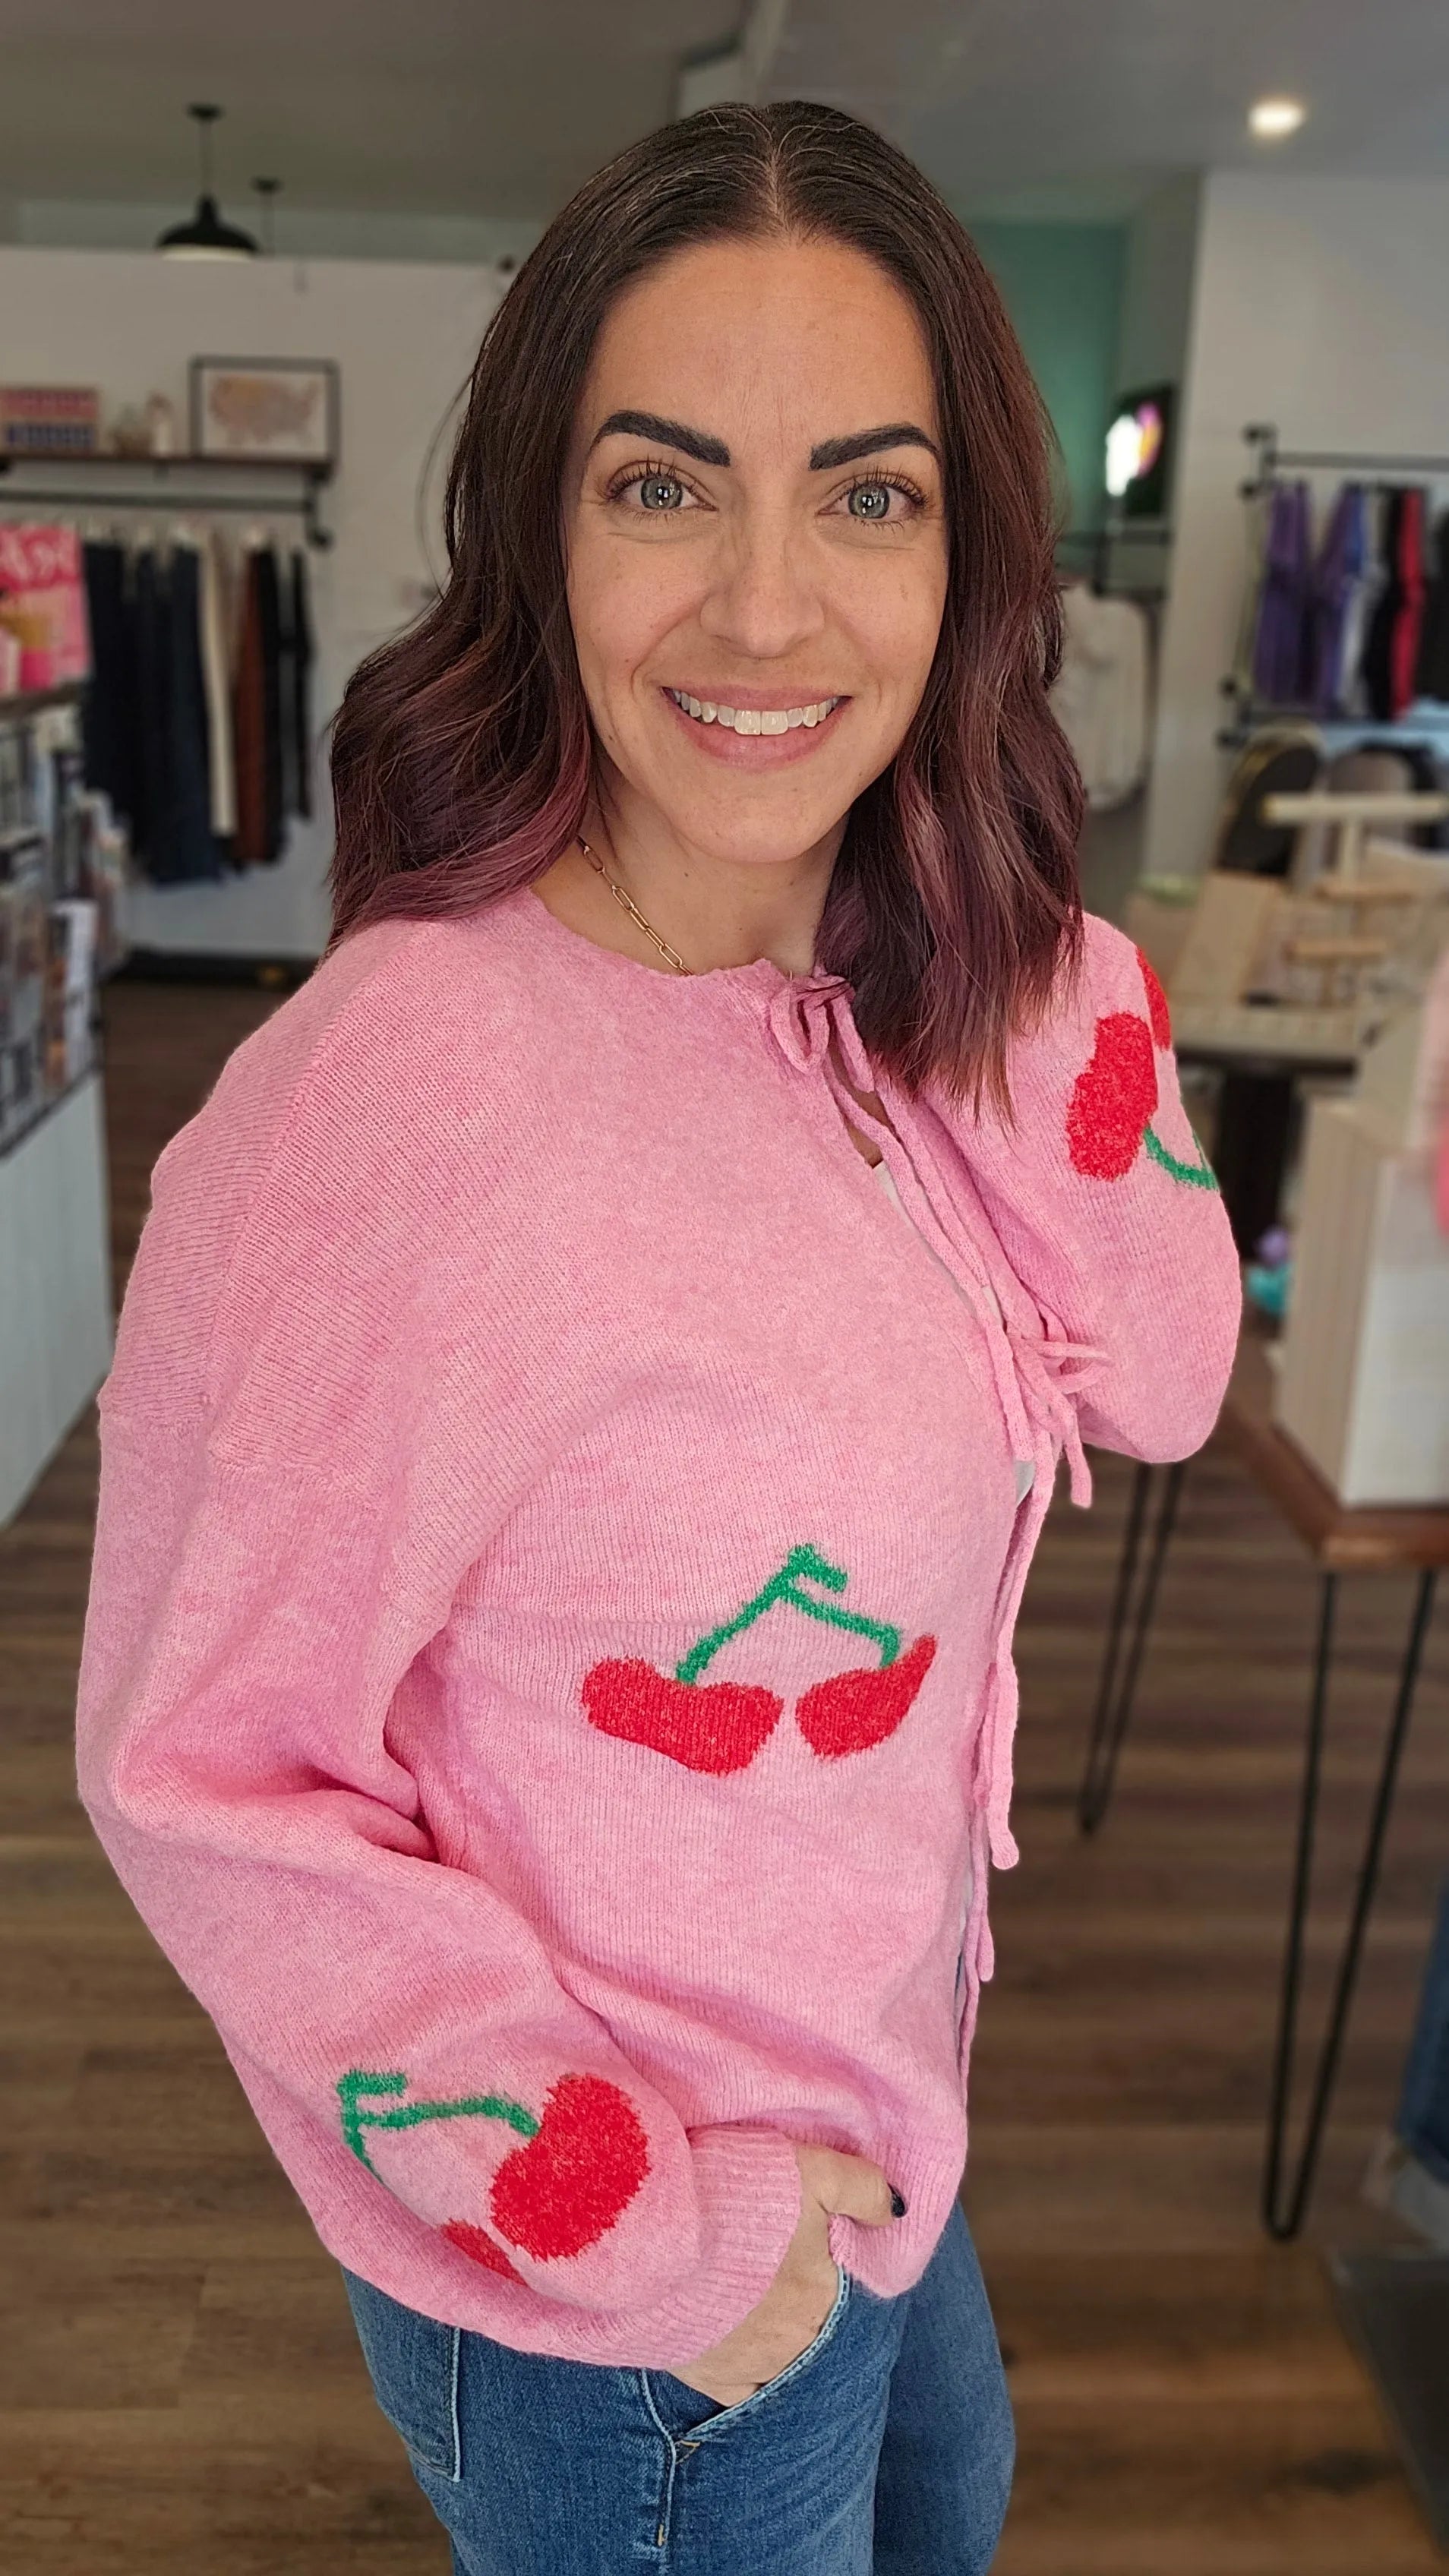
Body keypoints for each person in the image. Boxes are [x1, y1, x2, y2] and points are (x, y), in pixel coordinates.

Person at [75, 99, 1241, 2576]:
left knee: (955, 2509)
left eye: (867, 497)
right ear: (540, 527)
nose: (766, 609)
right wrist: (664, 2243)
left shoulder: (913, 997)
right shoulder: (390, 1111)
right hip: (642, 2283)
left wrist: (1020, 942)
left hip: (882, 2109)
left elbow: (1158, 1380)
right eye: (661, 485)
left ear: (966, 556)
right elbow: (197, 1775)